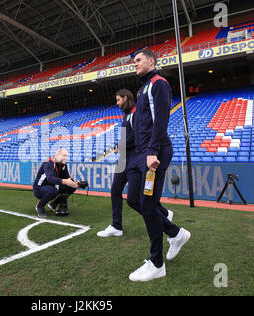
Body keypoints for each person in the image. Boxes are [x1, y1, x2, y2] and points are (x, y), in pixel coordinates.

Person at [127, 49, 191, 282]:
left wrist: (152, 151)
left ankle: (157, 264)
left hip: (155, 154)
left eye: (139, 60)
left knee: (147, 204)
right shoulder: (142, 88)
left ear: (152, 61)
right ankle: (175, 233)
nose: (135, 63)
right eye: (133, 61)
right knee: (136, 200)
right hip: (142, 155)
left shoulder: (158, 83)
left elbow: (161, 120)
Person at [97, 89, 173, 238]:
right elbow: (127, 137)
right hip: (124, 158)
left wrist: (122, 144)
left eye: (118, 100)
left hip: (135, 158)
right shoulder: (126, 115)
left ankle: (163, 216)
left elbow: (138, 137)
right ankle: (116, 226)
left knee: (137, 199)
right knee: (115, 190)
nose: (117, 103)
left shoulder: (138, 112)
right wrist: (120, 144)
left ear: (126, 98)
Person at [33, 148, 79, 218]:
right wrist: (64, 181)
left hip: (53, 186)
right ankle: (40, 206)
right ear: (57, 154)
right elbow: (50, 178)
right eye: (64, 155)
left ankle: (54, 204)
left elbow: (67, 178)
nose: (66, 158)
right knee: (53, 190)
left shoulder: (63, 165)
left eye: (67, 156)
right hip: (39, 188)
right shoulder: (48, 163)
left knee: (71, 187)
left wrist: (75, 183)